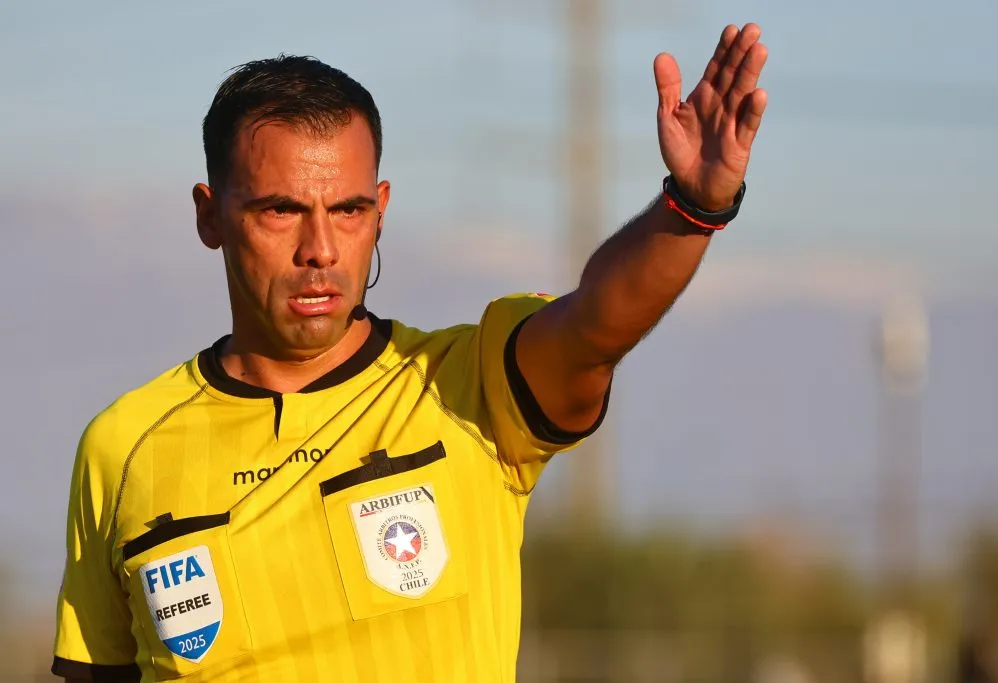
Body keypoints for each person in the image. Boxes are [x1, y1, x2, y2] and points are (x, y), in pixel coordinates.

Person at [52, 22, 768, 683]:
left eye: (349, 211)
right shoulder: (122, 447)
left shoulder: (467, 386)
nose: (320, 250)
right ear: (210, 214)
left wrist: (692, 208)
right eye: (281, 210)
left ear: (381, 208)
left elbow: (597, 327)